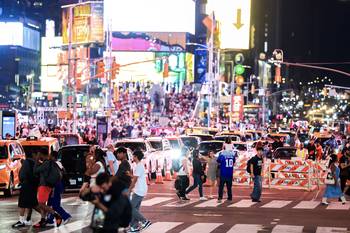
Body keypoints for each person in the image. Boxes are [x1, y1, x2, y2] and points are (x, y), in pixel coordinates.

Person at [33, 149, 62, 228]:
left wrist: (37, 159)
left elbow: (35, 171)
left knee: (41, 204)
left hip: (44, 185)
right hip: (48, 185)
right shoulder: (49, 163)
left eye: (39, 154)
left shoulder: (46, 163)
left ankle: (56, 215)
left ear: (41, 154)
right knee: (43, 204)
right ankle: (43, 220)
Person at [12, 152, 40, 228]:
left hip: (27, 185)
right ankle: (29, 219)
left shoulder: (28, 162)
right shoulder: (35, 163)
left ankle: (21, 221)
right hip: (33, 185)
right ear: (33, 155)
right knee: (32, 204)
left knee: (22, 203)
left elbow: (23, 174)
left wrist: (22, 181)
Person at [46, 151, 72, 226]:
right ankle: (50, 220)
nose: (49, 157)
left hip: (55, 186)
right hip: (57, 186)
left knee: (55, 204)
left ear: (53, 157)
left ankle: (66, 216)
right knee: (50, 203)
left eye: (50, 156)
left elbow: (57, 177)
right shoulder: (58, 163)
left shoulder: (55, 164)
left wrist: (54, 186)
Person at [128, 151, 152, 232]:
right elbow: (137, 176)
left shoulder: (139, 166)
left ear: (136, 157)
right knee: (135, 209)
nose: (132, 157)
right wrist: (130, 175)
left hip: (139, 190)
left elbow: (134, 180)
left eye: (133, 156)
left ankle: (145, 221)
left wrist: (129, 190)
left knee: (130, 208)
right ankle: (134, 227)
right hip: (140, 189)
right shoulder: (139, 165)